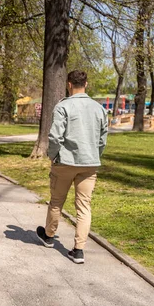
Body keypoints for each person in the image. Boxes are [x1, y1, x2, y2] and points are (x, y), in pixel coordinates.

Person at [36, 70, 108, 264]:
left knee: (57, 201)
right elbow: (103, 138)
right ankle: (78, 250)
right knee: (84, 206)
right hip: (89, 163)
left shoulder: (63, 106)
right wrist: (95, 155)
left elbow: (55, 136)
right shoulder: (98, 108)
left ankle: (49, 236)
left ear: (69, 84)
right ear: (86, 84)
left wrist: (53, 156)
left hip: (65, 161)